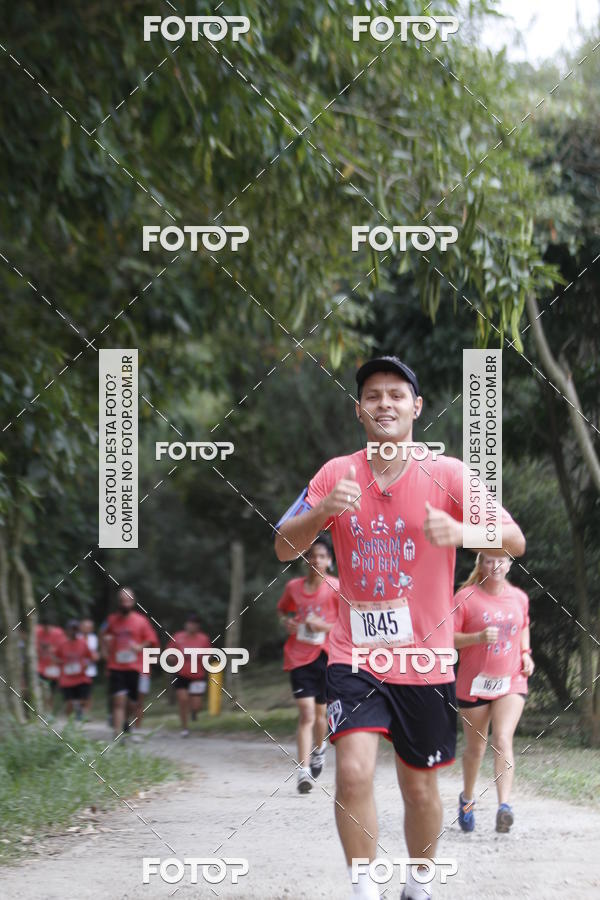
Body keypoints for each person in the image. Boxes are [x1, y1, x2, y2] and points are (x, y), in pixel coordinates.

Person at [274, 356, 526, 900]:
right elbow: (282, 545)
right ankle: (364, 888)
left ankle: (419, 882)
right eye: (372, 395)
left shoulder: (450, 473)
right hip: (353, 653)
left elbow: (514, 540)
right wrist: (321, 515)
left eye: (395, 394)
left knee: (419, 785)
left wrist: (461, 530)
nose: (383, 403)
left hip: (427, 658)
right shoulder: (334, 474)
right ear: (358, 409)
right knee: (354, 773)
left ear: (416, 407)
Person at [453, 552, 534, 834]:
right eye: (489, 560)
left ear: (510, 564)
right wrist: (476, 637)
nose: (496, 565)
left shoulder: (519, 597)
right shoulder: (465, 597)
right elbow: (448, 637)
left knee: (502, 739)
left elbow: (523, 626)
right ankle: (466, 799)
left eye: (501, 560)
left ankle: (504, 807)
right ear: (481, 565)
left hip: (511, 680)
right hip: (474, 684)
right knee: (475, 749)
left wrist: (526, 654)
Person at [277, 534, 339, 793]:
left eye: (322, 556)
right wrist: (287, 622)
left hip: (326, 656)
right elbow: (282, 611)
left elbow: (346, 624)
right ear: (305, 558)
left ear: (330, 561)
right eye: (312, 554)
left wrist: (322, 626)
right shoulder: (293, 587)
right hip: (298, 655)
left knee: (321, 714)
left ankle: (320, 749)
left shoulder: (336, 587)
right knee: (306, 713)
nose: (316, 559)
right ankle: (303, 772)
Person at [101, 588, 158, 741]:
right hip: (116, 666)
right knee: (119, 700)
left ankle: (129, 724)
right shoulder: (111, 620)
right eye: (122, 600)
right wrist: (105, 649)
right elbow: (103, 634)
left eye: (128, 600)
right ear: (118, 602)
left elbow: (151, 640)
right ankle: (117, 734)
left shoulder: (141, 621)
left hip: (135, 667)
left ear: (133, 602)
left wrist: (140, 647)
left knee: (133, 703)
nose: (125, 603)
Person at [165, 613, 211, 737]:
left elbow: (209, 654)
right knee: (183, 700)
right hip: (181, 674)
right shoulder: (178, 637)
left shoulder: (203, 638)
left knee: (197, 705)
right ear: (186, 624)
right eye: (190, 623)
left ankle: (194, 712)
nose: (191, 626)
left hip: (198, 675)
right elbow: (168, 653)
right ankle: (184, 728)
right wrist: (172, 658)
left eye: (194, 624)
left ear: (198, 626)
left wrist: (202, 657)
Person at [56, 619, 98, 720]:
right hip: (67, 679)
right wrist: (61, 664)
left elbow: (91, 657)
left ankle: (80, 712)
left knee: (84, 699)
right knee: (69, 702)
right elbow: (55, 657)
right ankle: (69, 724)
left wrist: (87, 665)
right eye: (71, 629)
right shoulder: (62, 644)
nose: (73, 632)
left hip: (81, 677)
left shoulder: (83, 643)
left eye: (76, 629)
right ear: (67, 631)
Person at [36, 619, 66, 713]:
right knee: (40, 689)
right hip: (40, 667)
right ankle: (40, 710)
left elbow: (63, 648)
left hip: (53, 667)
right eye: (45, 627)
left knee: (51, 691)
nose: (47, 630)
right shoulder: (36, 631)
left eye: (49, 627)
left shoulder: (59, 633)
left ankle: (49, 711)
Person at [136, 620, 159, 732]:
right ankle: (125, 723)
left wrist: (151, 660)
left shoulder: (150, 634)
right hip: (125, 670)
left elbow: (155, 653)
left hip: (143, 671)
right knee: (126, 700)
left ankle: (137, 729)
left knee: (139, 702)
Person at [79, 617, 99, 715]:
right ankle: (79, 711)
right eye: (84, 627)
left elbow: (93, 653)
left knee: (88, 692)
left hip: (90, 669)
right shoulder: (77, 637)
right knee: (78, 691)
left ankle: (86, 713)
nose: (86, 629)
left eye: (89, 627)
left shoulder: (93, 638)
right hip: (77, 669)